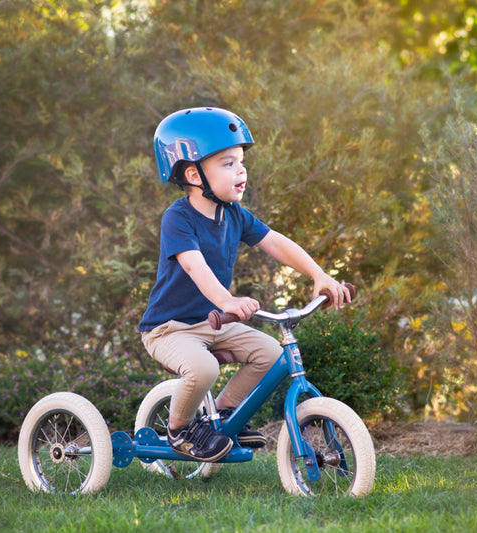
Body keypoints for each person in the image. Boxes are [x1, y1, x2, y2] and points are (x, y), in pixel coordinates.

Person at [139, 107, 351, 462]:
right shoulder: (178, 218)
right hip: (169, 328)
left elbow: (276, 243)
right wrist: (227, 300)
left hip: (213, 322)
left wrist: (320, 275)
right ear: (193, 173)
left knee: (270, 355)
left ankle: (222, 416)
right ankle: (179, 430)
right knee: (203, 369)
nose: (241, 170)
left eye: (241, 162)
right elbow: (195, 266)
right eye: (227, 163)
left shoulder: (235, 214)